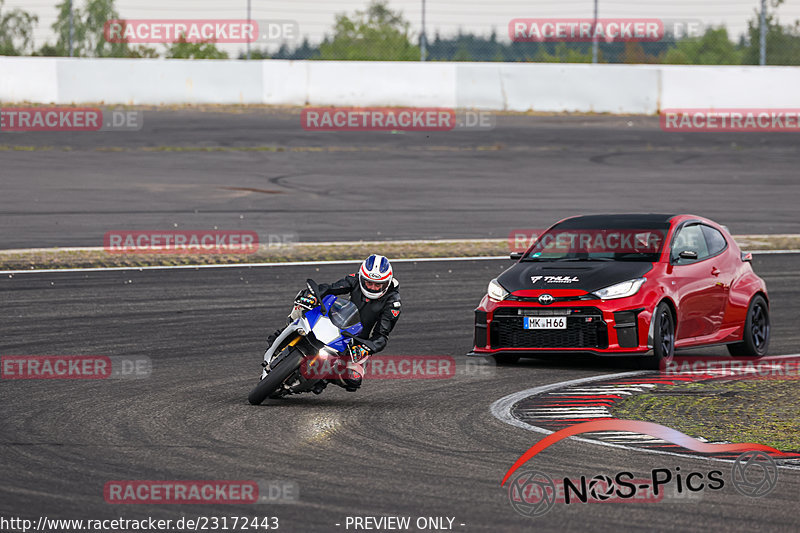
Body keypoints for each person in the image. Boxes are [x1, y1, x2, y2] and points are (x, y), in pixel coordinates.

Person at [266, 254, 401, 392]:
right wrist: (312, 296)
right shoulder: (354, 280)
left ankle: (321, 379)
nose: (372, 287)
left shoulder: (392, 303)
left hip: (357, 340)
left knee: (353, 379)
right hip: (337, 320)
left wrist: (364, 348)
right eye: (369, 283)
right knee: (303, 301)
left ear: (387, 282)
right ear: (362, 278)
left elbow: (382, 336)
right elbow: (330, 288)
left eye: (378, 284)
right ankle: (283, 333)